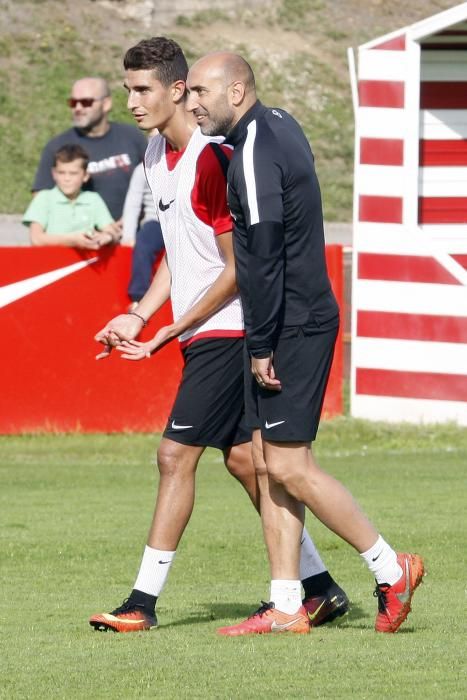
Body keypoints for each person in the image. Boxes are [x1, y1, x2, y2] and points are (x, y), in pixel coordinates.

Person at [89, 37, 348, 634]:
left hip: (228, 331)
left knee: (175, 455)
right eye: (127, 88)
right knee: (244, 462)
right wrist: (139, 314)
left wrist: (169, 329)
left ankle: (141, 603)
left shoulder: (212, 157)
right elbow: (181, 254)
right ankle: (319, 588)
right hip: (200, 332)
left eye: (141, 89)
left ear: (179, 90)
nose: (131, 101)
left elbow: (239, 267)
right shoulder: (157, 154)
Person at [185, 52, 425, 636]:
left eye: (199, 92)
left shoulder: (254, 154)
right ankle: (288, 604)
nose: (191, 103)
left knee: (290, 465)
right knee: (267, 463)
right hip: (292, 318)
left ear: (236, 91)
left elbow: (262, 257)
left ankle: (391, 566)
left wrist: (262, 341)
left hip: (293, 325)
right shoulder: (282, 122)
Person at [32, 77, 147, 225]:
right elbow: (40, 199)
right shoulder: (57, 146)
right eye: (73, 103)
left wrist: (129, 222)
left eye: (86, 102)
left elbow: (152, 185)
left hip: (129, 236)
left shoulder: (132, 137)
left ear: (106, 104)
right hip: (79, 240)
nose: (78, 108)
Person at [23, 144, 118, 249]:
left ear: (85, 176)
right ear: (54, 173)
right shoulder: (44, 198)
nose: (67, 179)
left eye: (73, 173)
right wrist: (72, 241)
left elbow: (112, 232)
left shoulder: (93, 199)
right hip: (52, 262)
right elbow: (36, 239)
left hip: (85, 263)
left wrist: (107, 237)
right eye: (61, 173)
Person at [121, 160, 165, 306]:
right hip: (156, 220)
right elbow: (133, 202)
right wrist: (128, 236)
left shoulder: (191, 159)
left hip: (187, 220)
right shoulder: (142, 168)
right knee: (143, 246)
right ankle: (139, 298)